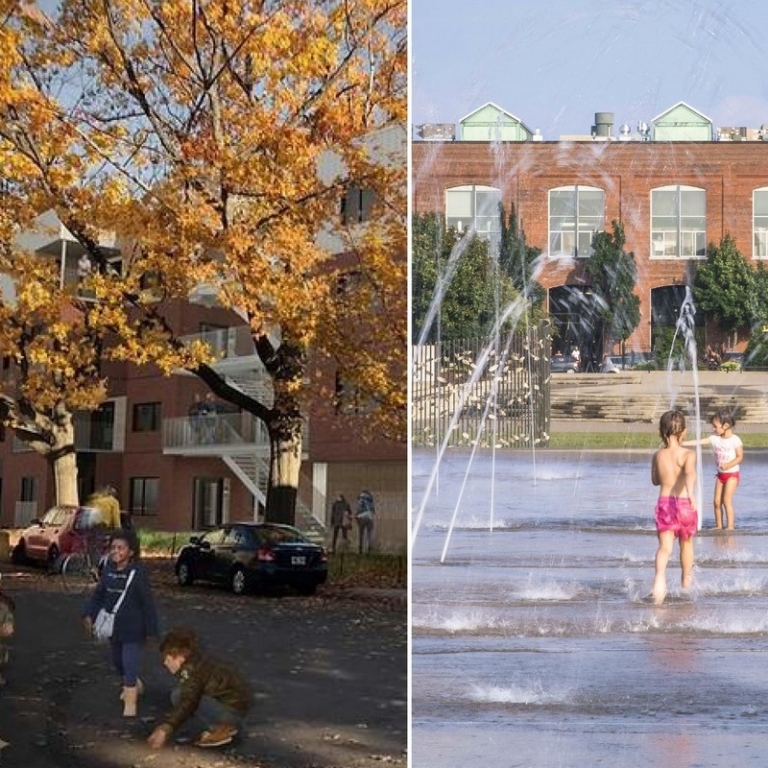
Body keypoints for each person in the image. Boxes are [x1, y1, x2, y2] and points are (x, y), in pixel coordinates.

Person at [82, 531, 159, 717]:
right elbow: (99, 595)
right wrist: (89, 614)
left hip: (134, 627)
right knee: (118, 662)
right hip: (113, 626)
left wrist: (152, 631)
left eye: (120, 548)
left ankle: (130, 702)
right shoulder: (108, 569)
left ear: (131, 552)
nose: (115, 551)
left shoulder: (137, 572)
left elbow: (147, 602)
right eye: (113, 548)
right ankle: (134, 683)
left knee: (129, 661)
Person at [146, 627, 252, 750]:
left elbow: (188, 701)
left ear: (180, 657)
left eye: (168, 658)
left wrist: (166, 728)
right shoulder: (199, 660)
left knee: (179, 695)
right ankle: (224, 725)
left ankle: (224, 728)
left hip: (231, 712)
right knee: (179, 694)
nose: (165, 663)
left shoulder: (192, 671)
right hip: (233, 705)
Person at [651, 410, 698, 605]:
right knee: (686, 544)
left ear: (660, 432)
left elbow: (654, 481)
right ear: (684, 432)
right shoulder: (688, 454)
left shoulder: (658, 455)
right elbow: (689, 474)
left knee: (664, 548)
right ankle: (686, 581)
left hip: (665, 504)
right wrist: (691, 492)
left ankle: (659, 580)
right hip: (685, 503)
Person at [683, 408, 743, 529]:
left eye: (715, 426)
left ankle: (730, 526)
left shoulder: (735, 440)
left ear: (726, 425)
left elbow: (740, 457)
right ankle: (719, 526)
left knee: (726, 500)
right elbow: (698, 442)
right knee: (716, 502)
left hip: (732, 475)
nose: (713, 429)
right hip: (720, 476)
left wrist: (728, 465)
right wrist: (682, 443)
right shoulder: (715, 439)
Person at [355, 490, 376, 555]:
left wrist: (357, 515)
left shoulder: (361, 499)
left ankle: (360, 549)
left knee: (361, 534)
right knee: (369, 534)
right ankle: (369, 549)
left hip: (362, 518)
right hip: (369, 518)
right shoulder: (371, 500)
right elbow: (373, 510)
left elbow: (358, 508)